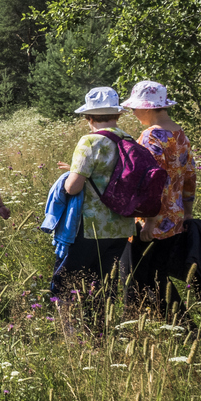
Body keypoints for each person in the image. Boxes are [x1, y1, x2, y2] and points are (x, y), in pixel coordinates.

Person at [52, 87, 135, 296]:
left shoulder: (89, 141)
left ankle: (70, 328)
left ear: (89, 117)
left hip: (91, 227)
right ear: (117, 114)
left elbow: (73, 186)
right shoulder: (130, 140)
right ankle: (101, 328)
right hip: (122, 226)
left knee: (67, 284)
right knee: (104, 285)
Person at [120, 81, 197, 307]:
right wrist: (187, 212)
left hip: (151, 220)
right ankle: (177, 325)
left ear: (147, 108)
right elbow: (190, 177)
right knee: (158, 275)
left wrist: (150, 222)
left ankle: (142, 325)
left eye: (134, 108)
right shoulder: (180, 134)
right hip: (175, 217)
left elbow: (153, 183)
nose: (133, 113)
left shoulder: (150, 137)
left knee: (134, 277)